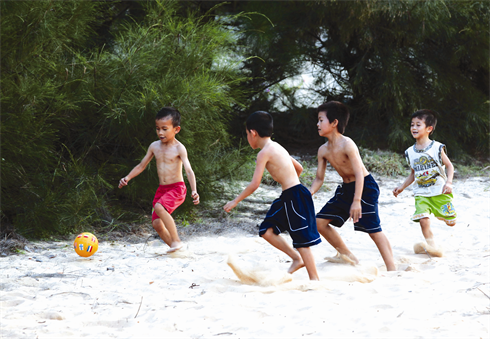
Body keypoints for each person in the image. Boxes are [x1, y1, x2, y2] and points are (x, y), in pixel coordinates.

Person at [224, 111, 321, 280]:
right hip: (290, 195)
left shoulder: (263, 153)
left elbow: (255, 184)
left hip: (294, 196)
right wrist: (288, 181)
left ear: (253, 133)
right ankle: (296, 259)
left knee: (301, 240)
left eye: (247, 134)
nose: (248, 137)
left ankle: (315, 279)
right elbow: (299, 168)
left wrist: (235, 201)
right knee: (266, 230)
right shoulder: (277, 146)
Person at [310, 101, 396, 271]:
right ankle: (348, 256)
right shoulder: (323, 150)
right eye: (318, 120)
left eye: (321, 120)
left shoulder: (347, 144)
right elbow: (319, 178)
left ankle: (392, 269)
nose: (317, 124)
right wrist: (309, 192)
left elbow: (359, 174)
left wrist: (357, 201)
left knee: (373, 229)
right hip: (346, 189)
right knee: (319, 222)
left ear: (334, 122)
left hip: (365, 188)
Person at [119, 107, 199, 253]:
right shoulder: (154, 146)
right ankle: (176, 250)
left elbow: (188, 170)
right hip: (162, 189)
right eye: (157, 129)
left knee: (159, 207)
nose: (160, 132)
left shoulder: (179, 148)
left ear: (176, 129)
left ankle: (176, 241)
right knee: (156, 223)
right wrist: (127, 177)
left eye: (164, 129)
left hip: (177, 188)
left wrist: (194, 190)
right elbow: (141, 165)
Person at [393, 109, 456, 256]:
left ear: (429, 129)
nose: (414, 128)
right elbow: (413, 174)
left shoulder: (436, 147)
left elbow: (449, 166)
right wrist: (401, 187)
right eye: (412, 125)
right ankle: (432, 246)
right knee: (423, 220)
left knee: (451, 222)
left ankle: (441, 215)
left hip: (440, 191)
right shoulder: (410, 152)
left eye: (418, 125)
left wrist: (449, 182)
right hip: (421, 193)